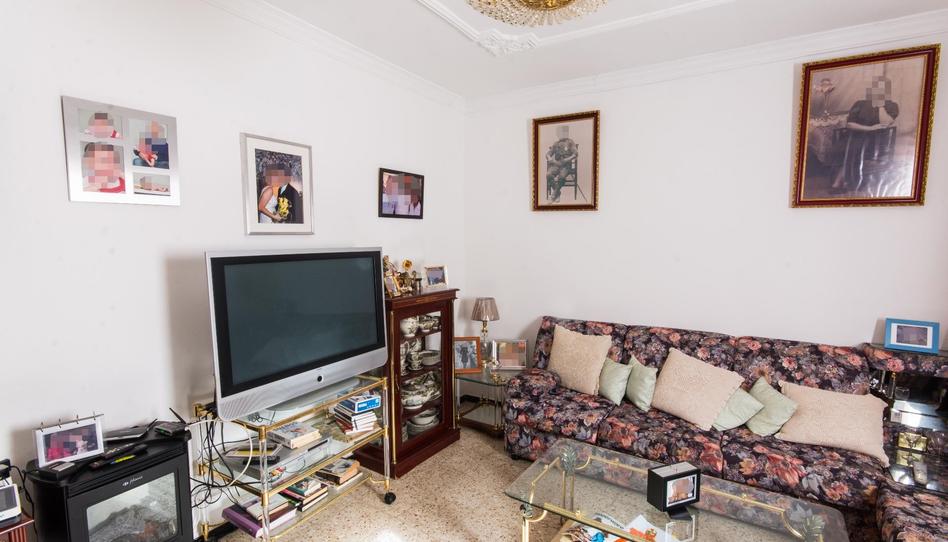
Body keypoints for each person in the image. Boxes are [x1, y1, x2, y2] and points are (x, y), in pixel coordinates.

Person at [831, 76, 900, 192]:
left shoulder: (892, 106)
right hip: (856, 135)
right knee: (854, 140)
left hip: (876, 141)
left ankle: (841, 182)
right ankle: (849, 182)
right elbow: (850, 124)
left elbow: (885, 122)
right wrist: (869, 128)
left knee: (854, 142)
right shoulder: (859, 104)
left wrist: (880, 106)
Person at [545, 125, 578, 203]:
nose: (561, 134)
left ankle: (554, 195)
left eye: (564, 132)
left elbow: (575, 154)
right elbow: (548, 154)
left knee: (561, 177)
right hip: (556, 165)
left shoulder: (570, 142)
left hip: (566, 166)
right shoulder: (556, 143)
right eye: (560, 133)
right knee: (548, 175)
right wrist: (549, 157)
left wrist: (567, 159)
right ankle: (557, 193)